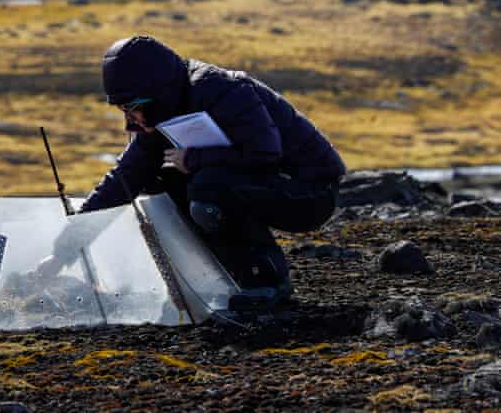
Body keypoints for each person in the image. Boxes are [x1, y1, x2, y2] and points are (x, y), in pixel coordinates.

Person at [39, 35, 346, 310]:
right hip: (265, 187)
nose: (132, 118)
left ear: (158, 92)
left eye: (134, 106)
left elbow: (265, 153)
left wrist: (196, 159)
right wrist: (63, 252)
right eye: (123, 109)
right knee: (164, 180)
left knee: (207, 184)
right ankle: (224, 280)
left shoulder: (222, 90)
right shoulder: (164, 111)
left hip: (309, 192)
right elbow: (123, 181)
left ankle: (265, 281)